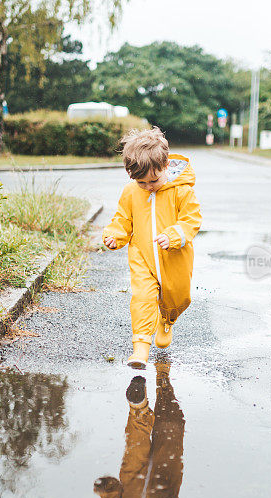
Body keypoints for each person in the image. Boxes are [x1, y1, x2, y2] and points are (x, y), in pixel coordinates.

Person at [102, 127, 202, 368]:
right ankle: (140, 349)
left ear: (166, 165)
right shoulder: (131, 192)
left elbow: (192, 219)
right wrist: (115, 235)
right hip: (142, 256)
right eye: (141, 182)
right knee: (143, 298)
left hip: (175, 256)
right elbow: (123, 219)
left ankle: (166, 320)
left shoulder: (182, 190)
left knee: (179, 296)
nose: (148, 187)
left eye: (153, 181)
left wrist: (175, 234)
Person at [94, 358, 187, 498]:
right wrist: (106, 489)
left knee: (170, 428)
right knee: (139, 440)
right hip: (138, 489)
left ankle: (162, 379)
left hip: (162, 490)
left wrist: (107, 490)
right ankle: (139, 407)